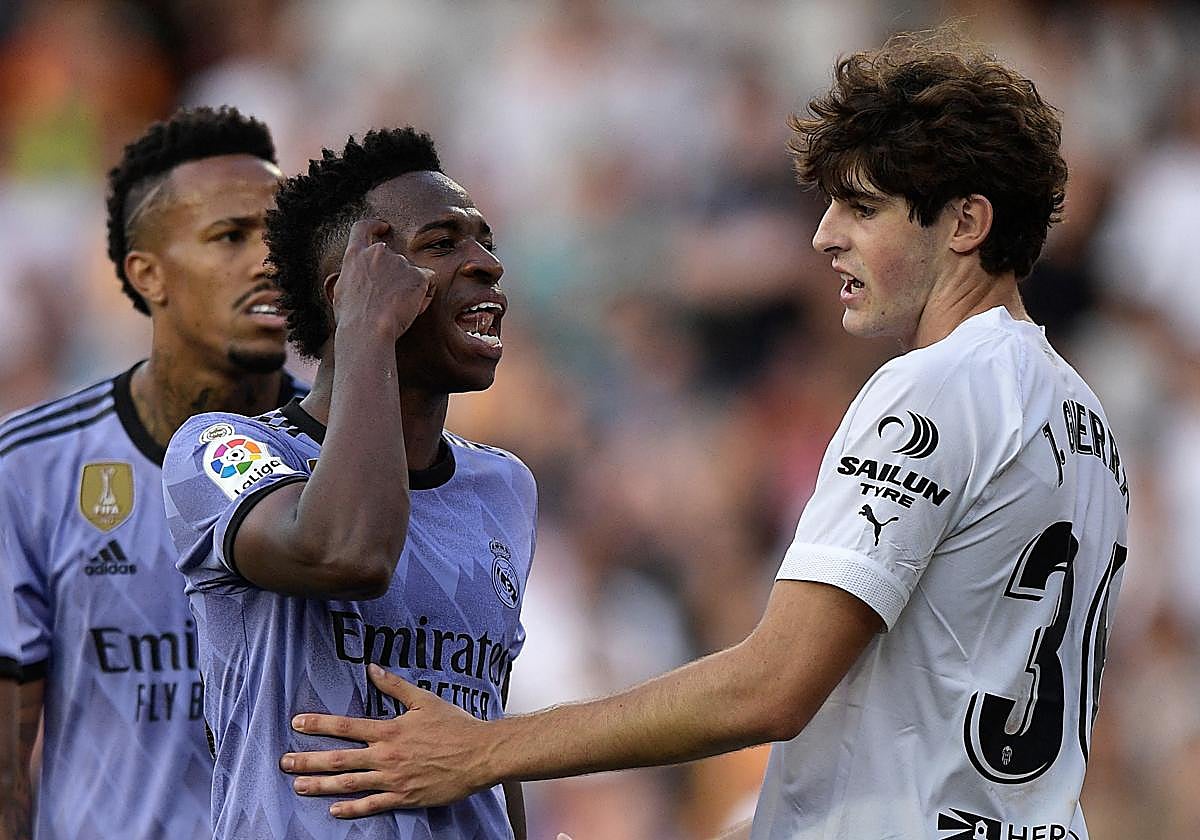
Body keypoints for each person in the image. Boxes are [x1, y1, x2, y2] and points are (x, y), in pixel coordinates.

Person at [277, 29, 1131, 840]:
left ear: (965, 224)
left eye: (862, 208)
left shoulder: (934, 386)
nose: (824, 235)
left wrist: (484, 751)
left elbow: (773, 685)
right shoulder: (1082, 417)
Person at [160, 127, 535, 839]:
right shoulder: (224, 450)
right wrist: (365, 329)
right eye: (441, 244)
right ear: (351, 292)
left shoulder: (505, 486)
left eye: (484, 241)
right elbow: (346, 554)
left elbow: (485, 722)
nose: (487, 264)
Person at [0, 105, 305, 839]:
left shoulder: (354, 464)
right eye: (231, 236)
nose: (269, 259)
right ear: (148, 274)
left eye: (280, 234)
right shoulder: (31, 468)